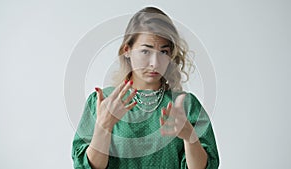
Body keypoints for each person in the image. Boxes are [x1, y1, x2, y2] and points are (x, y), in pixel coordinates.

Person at [72, 6, 219, 169]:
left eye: (163, 52)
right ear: (127, 50)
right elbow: (85, 167)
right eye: (145, 51)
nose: (155, 63)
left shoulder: (186, 105)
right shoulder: (103, 103)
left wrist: (189, 136)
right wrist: (103, 127)